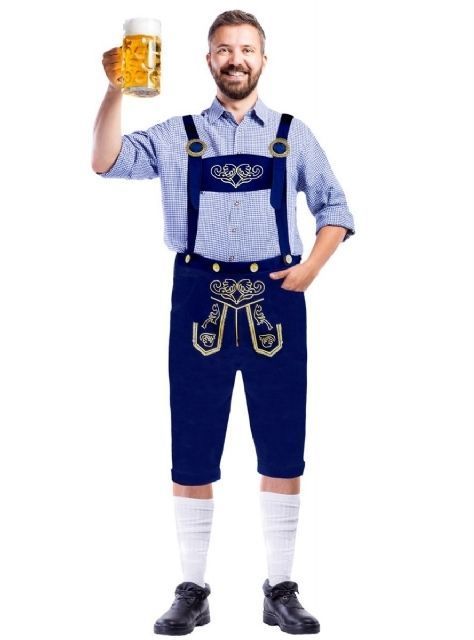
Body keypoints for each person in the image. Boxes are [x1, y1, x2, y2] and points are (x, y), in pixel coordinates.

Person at [92, 9, 355, 636]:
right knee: (193, 445)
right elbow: (105, 161)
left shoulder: (292, 134)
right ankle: (193, 589)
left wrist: (310, 270)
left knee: (282, 445)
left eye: (246, 49)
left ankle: (280, 588)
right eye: (224, 50)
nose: (236, 59)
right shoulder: (177, 134)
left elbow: (336, 209)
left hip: (277, 298)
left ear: (263, 59)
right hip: (197, 297)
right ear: (209, 60)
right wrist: (114, 90)